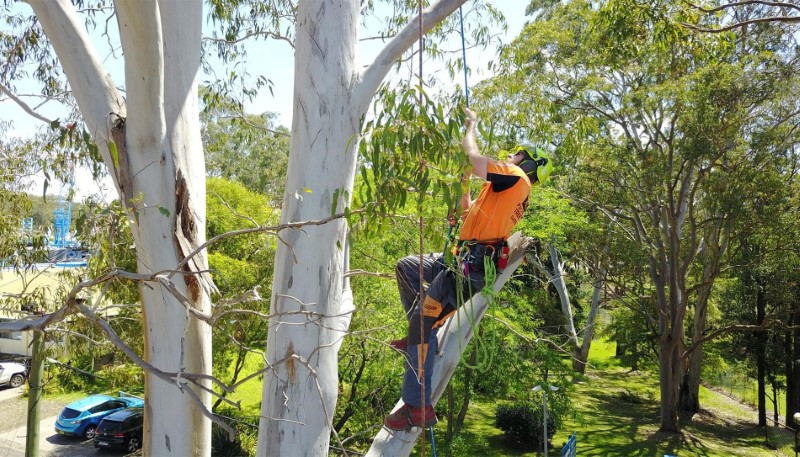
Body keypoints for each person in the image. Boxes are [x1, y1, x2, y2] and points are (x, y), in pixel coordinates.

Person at [383, 108, 553, 431]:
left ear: (529, 163)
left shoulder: (516, 179)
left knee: (423, 323)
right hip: (455, 259)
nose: (510, 155)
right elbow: (465, 212)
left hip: (464, 273)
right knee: (406, 268)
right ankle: (421, 335)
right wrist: (463, 185)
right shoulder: (502, 193)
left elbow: (474, 157)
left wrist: (471, 127)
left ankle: (417, 407)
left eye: (517, 154)